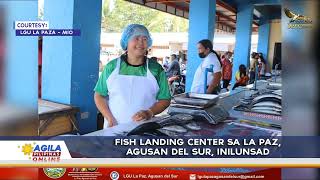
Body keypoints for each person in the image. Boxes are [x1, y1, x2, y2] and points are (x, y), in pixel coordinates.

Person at [94, 24, 171, 128]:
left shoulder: (156, 69)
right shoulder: (111, 67)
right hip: (114, 127)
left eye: (144, 39)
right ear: (126, 42)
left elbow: (165, 99)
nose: (141, 42)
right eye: (136, 38)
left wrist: (149, 112)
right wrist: (109, 118)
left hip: (144, 128)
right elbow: (99, 95)